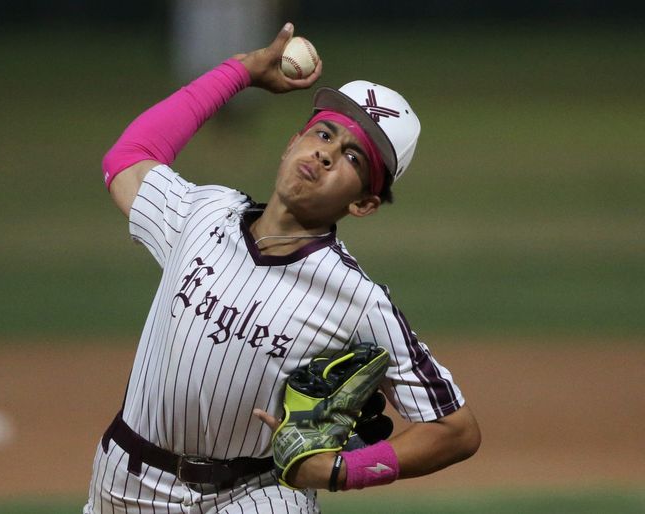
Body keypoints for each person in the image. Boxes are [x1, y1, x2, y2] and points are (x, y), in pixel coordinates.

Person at [84, 22, 480, 514]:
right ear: (291, 143)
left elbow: (457, 430)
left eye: (351, 156)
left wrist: (344, 471)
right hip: (125, 482)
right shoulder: (202, 213)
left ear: (364, 204)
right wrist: (241, 72)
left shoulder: (357, 300)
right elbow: (129, 157)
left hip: (253, 495)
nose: (326, 153)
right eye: (323, 133)